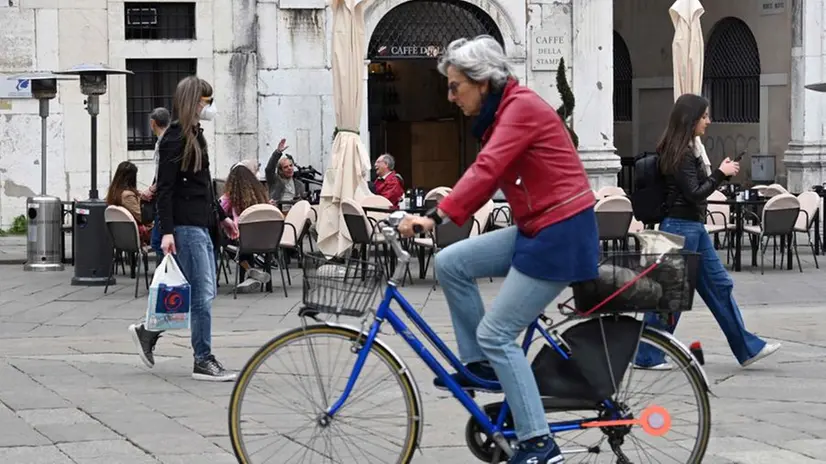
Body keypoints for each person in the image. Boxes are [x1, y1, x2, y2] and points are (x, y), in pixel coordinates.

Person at [398, 35, 599, 464]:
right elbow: (488, 171)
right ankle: (483, 365)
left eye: (456, 87)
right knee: (451, 261)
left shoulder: (520, 108)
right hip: (536, 226)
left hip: (560, 232)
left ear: (483, 81)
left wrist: (435, 216)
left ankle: (538, 442)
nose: (451, 97)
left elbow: (487, 170)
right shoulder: (502, 112)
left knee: (498, 332)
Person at [634, 93, 781, 369]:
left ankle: (747, 348)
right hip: (680, 229)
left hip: (691, 229)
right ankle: (646, 355)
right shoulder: (681, 154)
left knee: (719, 287)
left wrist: (717, 173)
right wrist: (720, 174)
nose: (708, 122)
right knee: (670, 296)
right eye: (704, 116)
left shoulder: (687, 149)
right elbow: (694, 193)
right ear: (691, 120)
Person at [129, 75, 239, 382]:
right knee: (202, 294)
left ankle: (147, 331)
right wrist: (165, 232)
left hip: (201, 224)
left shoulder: (195, 135)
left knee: (199, 293)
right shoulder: (175, 138)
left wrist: (222, 217)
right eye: (206, 101)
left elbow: (203, 185)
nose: (210, 106)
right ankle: (202, 359)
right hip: (185, 228)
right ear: (195, 102)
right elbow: (165, 189)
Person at [219, 163, 272, 293]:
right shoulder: (262, 196)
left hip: (241, 239)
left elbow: (217, 210)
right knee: (244, 243)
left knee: (223, 241)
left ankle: (248, 270)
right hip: (265, 239)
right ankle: (250, 272)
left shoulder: (230, 197)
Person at [141, 107, 171, 258]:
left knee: (158, 242)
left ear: (153, 123)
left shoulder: (164, 143)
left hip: (164, 198)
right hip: (163, 194)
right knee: (158, 241)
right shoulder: (165, 140)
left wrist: (152, 190)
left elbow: (165, 173)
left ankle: (166, 275)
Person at [106, 161, 152, 244]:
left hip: (122, 234)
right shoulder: (128, 196)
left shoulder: (113, 192)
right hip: (139, 233)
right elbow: (142, 217)